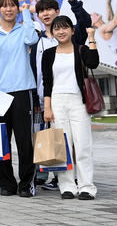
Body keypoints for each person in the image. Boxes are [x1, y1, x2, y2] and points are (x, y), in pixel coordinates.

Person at [29, 0, 91, 190]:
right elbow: (38, 74)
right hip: (46, 99)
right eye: (41, 11)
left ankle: (80, 180)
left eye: (49, 9)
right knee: (53, 139)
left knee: (77, 141)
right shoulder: (37, 41)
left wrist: (74, 2)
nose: (45, 13)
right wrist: (38, 100)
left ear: (58, 11)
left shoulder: (71, 37)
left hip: (74, 98)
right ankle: (56, 177)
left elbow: (85, 22)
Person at [0, 0, 39, 197]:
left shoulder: (24, 30)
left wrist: (27, 12)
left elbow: (32, 39)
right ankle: (6, 183)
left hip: (23, 92)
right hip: (0, 95)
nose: (8, 9)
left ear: (17, 9)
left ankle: (26, 184)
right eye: (4, 6)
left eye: (12, 6)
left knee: (25, 142)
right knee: (1, 141)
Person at [42, 17, 100, 200]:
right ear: (52, 33)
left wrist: (91, 38)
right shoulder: (49, 54)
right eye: (57, 29)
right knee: (62, 146)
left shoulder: (81, 49)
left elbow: (93, 63)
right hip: (57, 102)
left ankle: (87, 187)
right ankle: (67, 186)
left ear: (72, 31)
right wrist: (47, 107)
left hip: (78, 102)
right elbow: (47, 82)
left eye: (65, 28)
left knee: (83, 145)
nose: (61, 32)